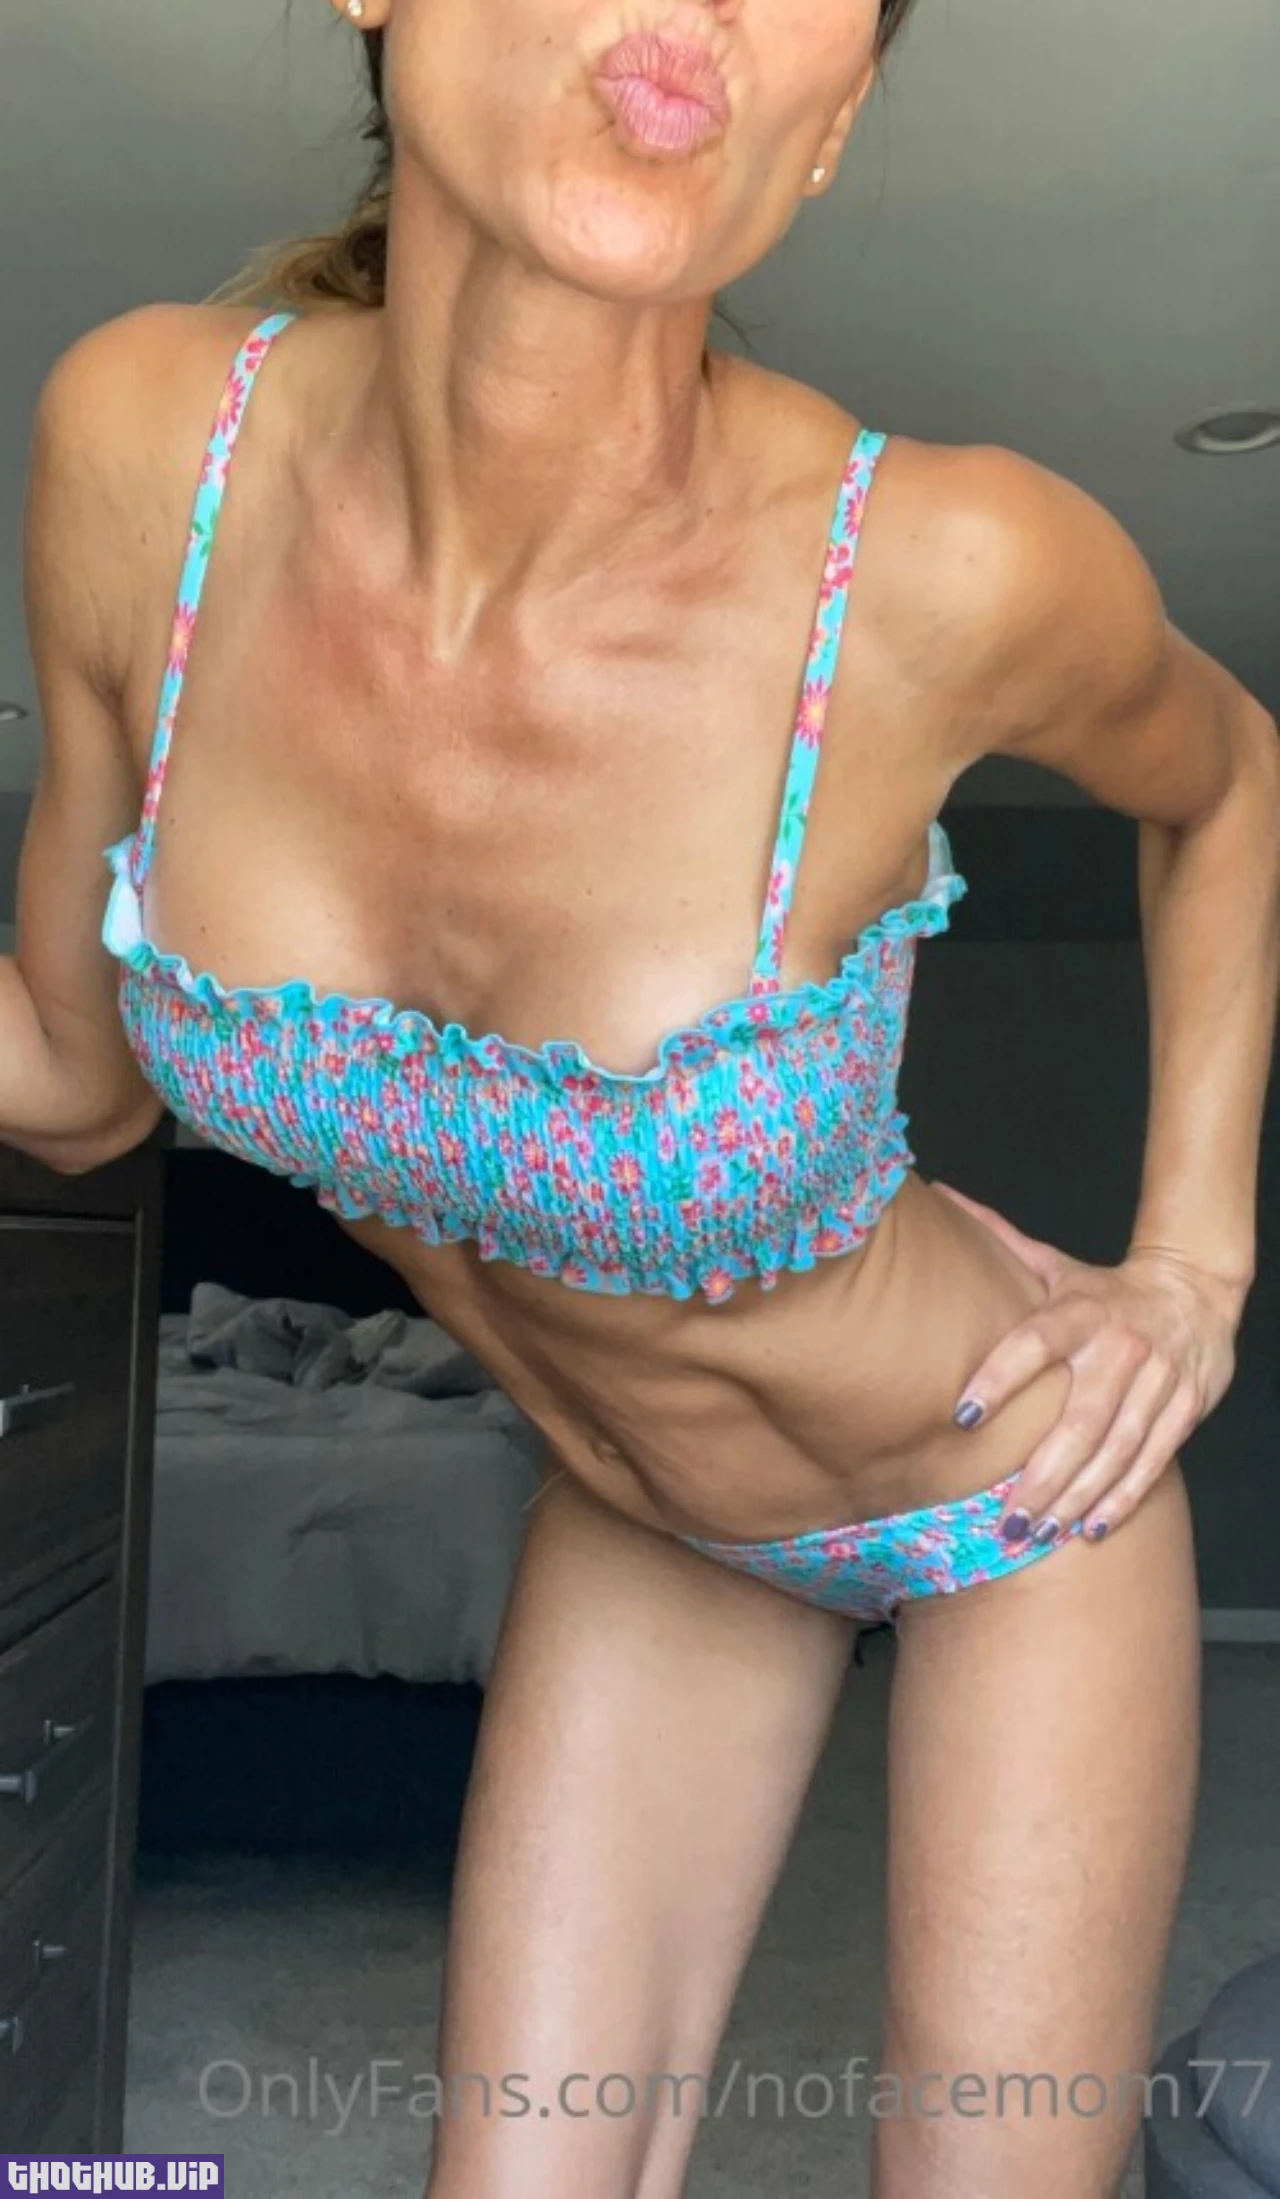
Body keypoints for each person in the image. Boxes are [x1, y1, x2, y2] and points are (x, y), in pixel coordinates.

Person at [6, 1, 1278, 2191]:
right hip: (646, 1522)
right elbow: (70, 1075)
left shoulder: (935, 565)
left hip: (1008, 1498)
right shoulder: (147, 460)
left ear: (833, 118)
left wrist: (1192, 1265)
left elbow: (1232, 774)